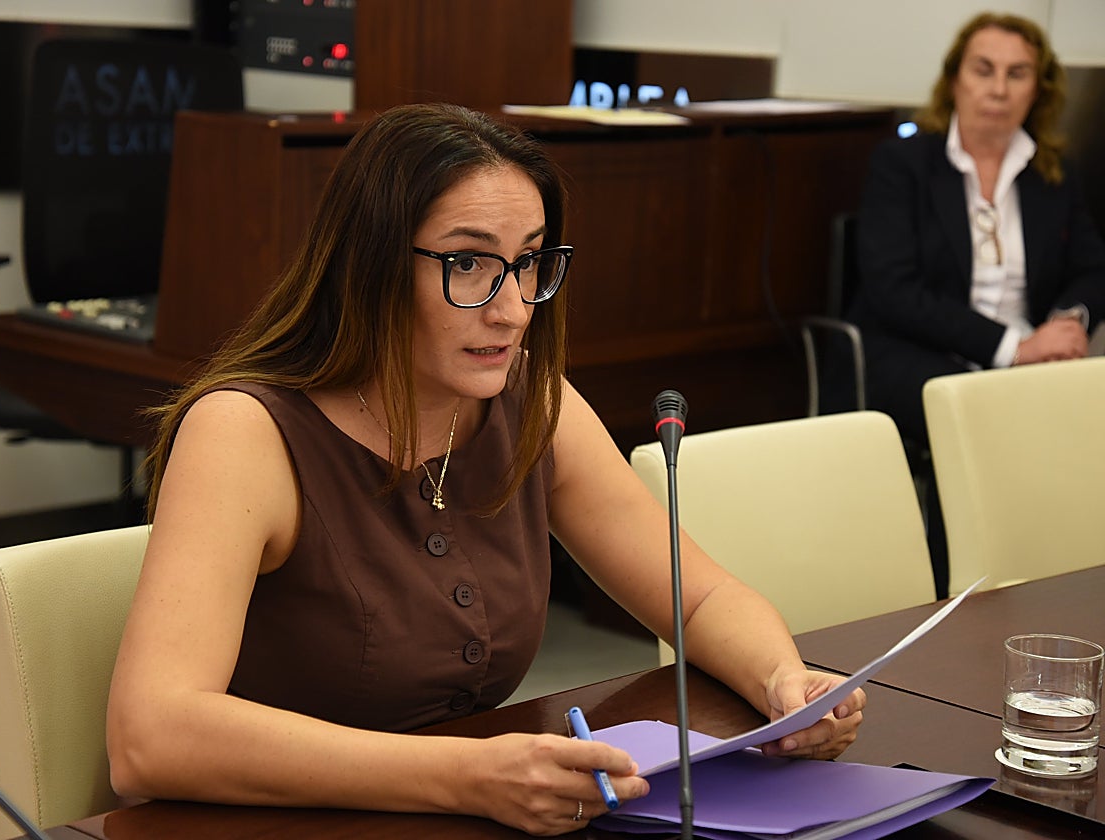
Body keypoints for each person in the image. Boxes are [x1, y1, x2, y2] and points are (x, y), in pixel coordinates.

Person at [106, 102, 865, 836]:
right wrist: (463, 778)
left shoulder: (530, 397)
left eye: (528, 260)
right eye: (468, 263)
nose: (511, 310)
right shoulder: (245, 432)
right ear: (368, 264)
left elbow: (696, 599)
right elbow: (150, 740)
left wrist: (782, 682)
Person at [843, 12, 1105, 598]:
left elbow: (1093, 268)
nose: (998, 88)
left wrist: (1068, 321)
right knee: (978, 413)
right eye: (984, 70)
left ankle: (1052, 588)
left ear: (1038, 88)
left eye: (1018, 73)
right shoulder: (903, 165)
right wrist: (1013, 348)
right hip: (918, 351)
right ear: (954, 79)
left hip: (1027, 358)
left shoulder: (1051, 172)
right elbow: (892, 289)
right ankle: (957, 593)